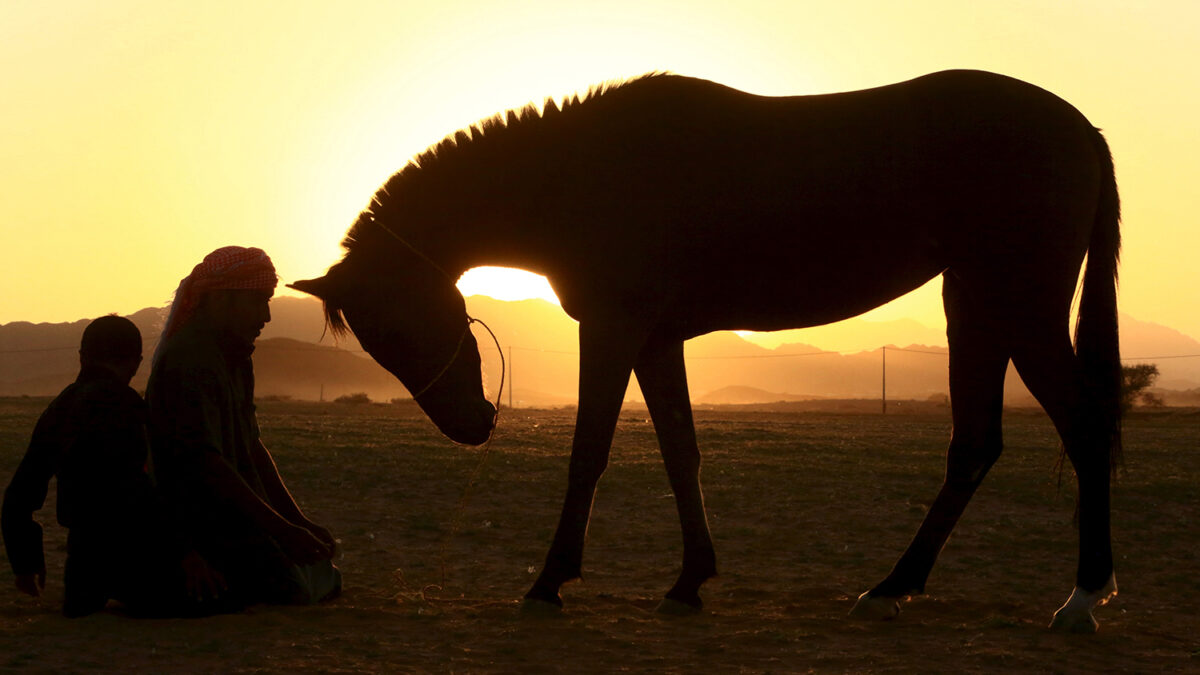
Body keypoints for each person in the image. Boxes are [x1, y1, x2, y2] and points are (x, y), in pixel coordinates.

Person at [146, 246, 340, 607]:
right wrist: (282, 529)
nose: (266, 316)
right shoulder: (190, 360)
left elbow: (252, 446)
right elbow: (205, 462)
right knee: (291, 588)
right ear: (220, 300)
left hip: (236, 515)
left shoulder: (234, 356)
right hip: (196, 522)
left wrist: (297, 521)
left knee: (317, 576)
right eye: (257, 301)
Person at [2, 315, 226, 617]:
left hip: (82, 558)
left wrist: (26, 563)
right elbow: (136, 488)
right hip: (133, 552)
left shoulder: (61, 407)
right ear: (136, 361)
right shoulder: (124, 405)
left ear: (82, 356)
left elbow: (20, 492)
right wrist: (185, 552)